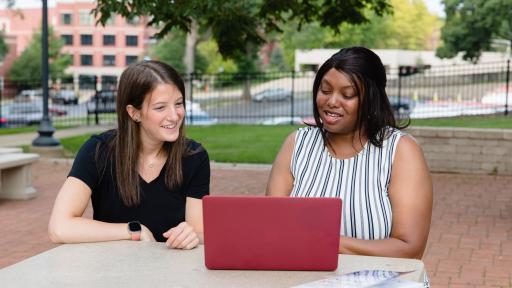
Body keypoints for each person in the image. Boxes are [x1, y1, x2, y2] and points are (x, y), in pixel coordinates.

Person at [266, 47, 432, 259]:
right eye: (325, 91)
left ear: (372, 99)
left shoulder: (400, 151)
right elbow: (272, 227)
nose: (332, 101)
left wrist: (325, 241)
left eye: (348, 94)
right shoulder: (296, 144)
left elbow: (409, 248)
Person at [48, 60, 210, 250]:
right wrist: (133, 231)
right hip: (112, 269)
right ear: (134, 113)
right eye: (160, 107)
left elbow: (200, 232)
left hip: (172, 273)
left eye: (178, 104)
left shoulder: (193, 156)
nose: (174, 116)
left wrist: (191, 236)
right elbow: (59, 227)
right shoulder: (97, 151)